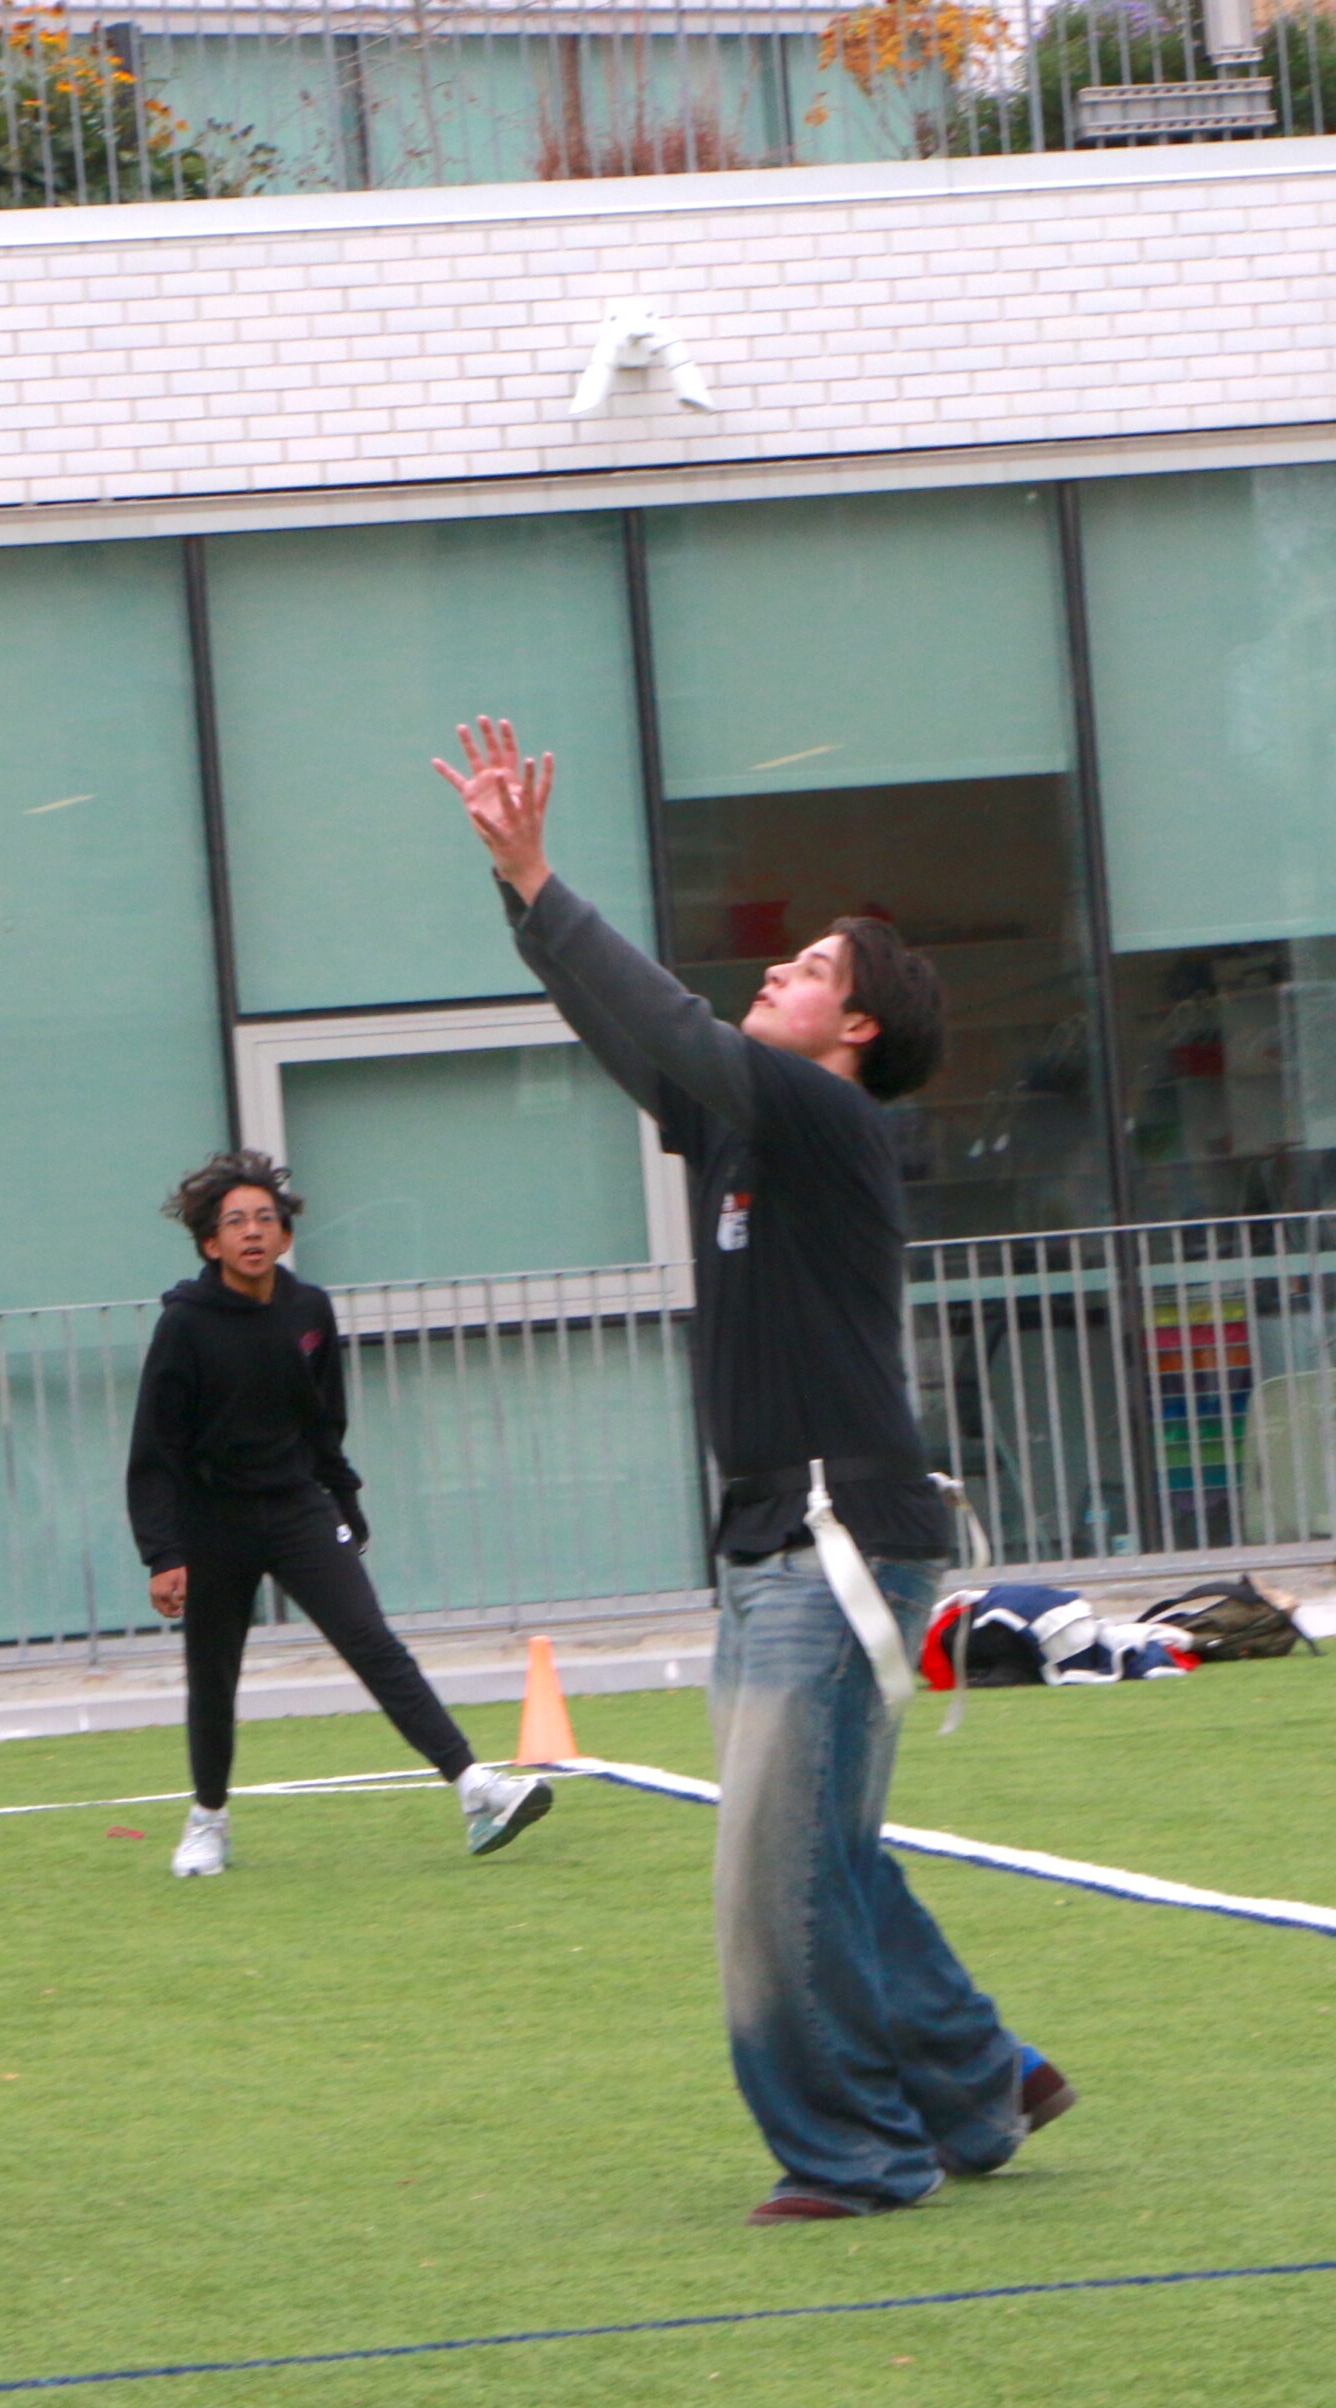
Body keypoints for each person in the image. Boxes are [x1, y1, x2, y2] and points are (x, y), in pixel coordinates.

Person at [437, 718, 1075, 2225]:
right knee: (823, 1852)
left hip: (836, 1541)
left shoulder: (821, 1114)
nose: (774, 976)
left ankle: (856, 2155)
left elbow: (666, 1028)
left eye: (807, 973)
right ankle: (984, 2082)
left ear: (853, 1034)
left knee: (769, 1881)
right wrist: (523, 902)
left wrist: (541, 875)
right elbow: (632, 1039)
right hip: (779, 1542)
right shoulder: (745, 1133)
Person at [127, 1150, 554, 1876]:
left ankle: (475, 1787)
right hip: (214, 1521)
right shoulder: (185, 1326)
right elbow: (155, 1445)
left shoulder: (308, 1311)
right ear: (210, 1243)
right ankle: (209, 1819)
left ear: (286, 1237)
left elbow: (324, 1420)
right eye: (235, 1222)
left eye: (266, 1219)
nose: (253, 1232)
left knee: (374, 1644)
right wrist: (164, 1552)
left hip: (297, 1508)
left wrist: (344, 1499)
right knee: (213, 1678)